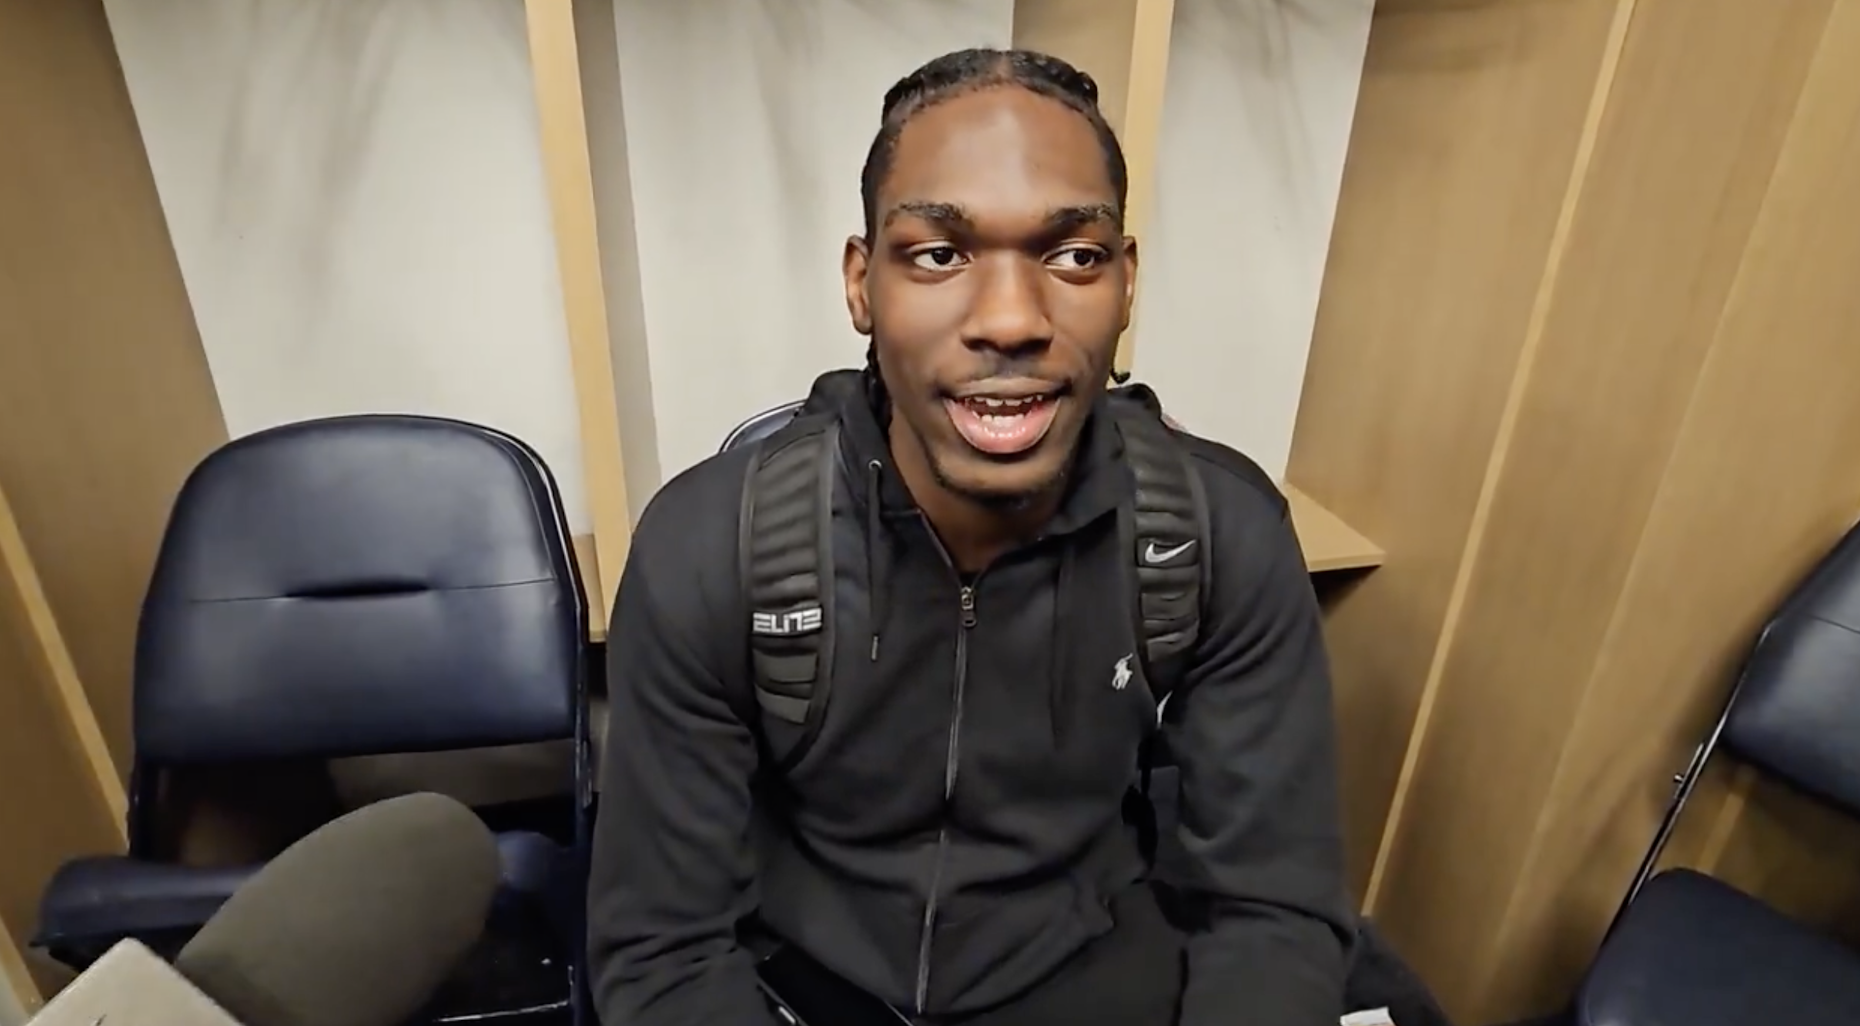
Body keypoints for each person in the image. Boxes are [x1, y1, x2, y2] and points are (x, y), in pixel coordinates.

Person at [588, 47, 1353, 1026]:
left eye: (1073, 256)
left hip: (1084, 966)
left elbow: (1274, 910)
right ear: (862, 285)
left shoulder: (1219, 535)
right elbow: (663, 949)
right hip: (802, 981)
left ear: (1127, 284)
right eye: (939, 255)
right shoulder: (708, 549)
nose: (1010, 319)